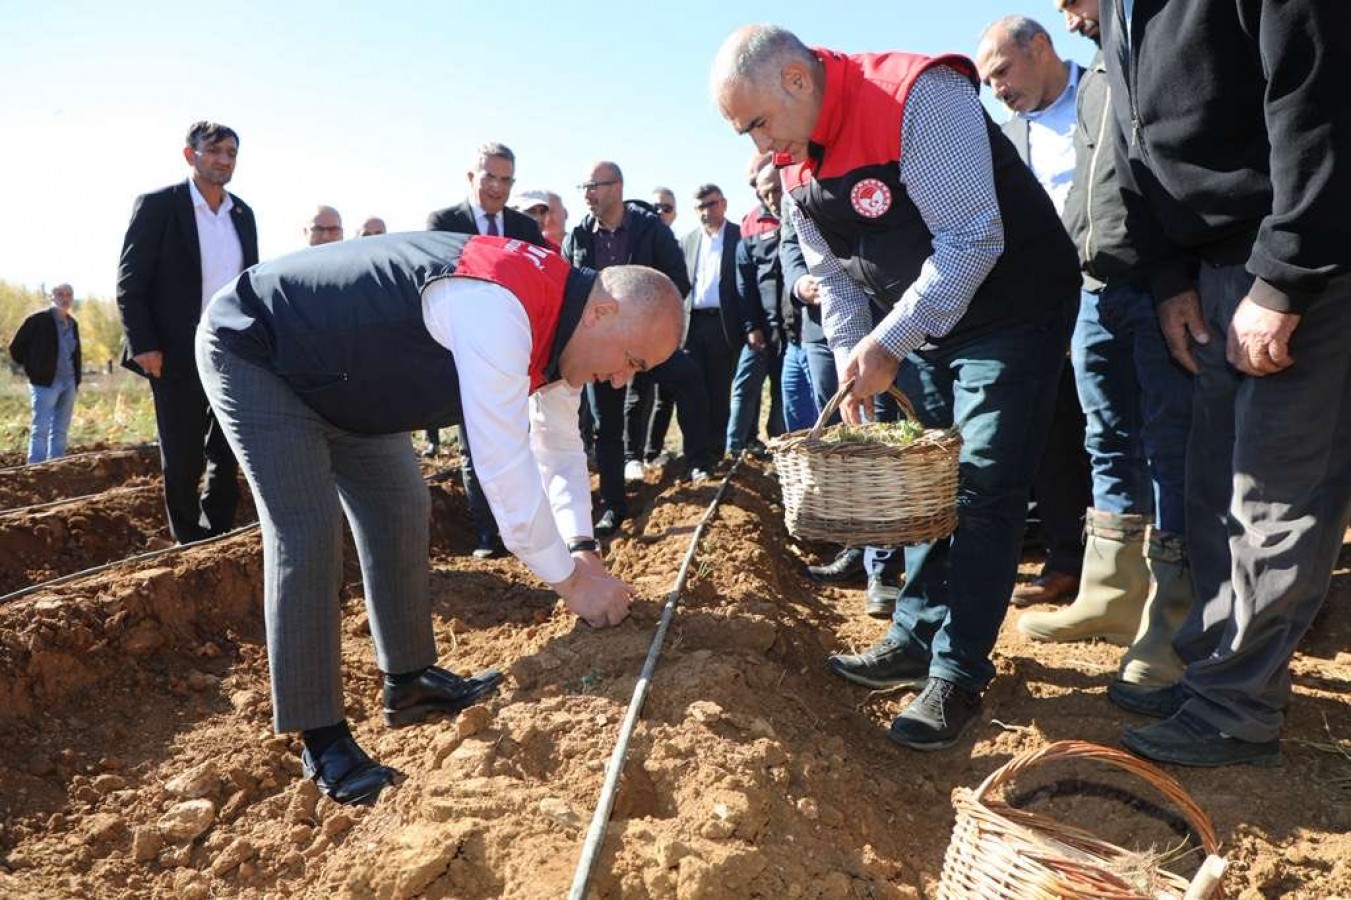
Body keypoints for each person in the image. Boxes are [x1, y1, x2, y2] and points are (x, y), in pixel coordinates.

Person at [196, 232, 684, 804]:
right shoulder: (500, 307)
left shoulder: (564, 321)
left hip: (350, 380)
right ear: (603, 312)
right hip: (261, 347)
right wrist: (572, 584)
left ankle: (409, 682)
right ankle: (321, 738)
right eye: (631, 361)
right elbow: (505, 468)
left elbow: (558, 447)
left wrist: (580, 545)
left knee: (402, 503)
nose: (623, 380)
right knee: (307, 531)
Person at [712, 25, 1081, 749]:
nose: (758, 147)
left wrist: (889, 343)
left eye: (756, 123)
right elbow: (835, 280)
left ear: (795, 79)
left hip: (1010, 309)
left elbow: (973, 237)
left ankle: (958, 669)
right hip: (927, 320)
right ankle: (915, 633)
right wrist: (856, 355)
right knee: (925, 478)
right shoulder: (792, 166)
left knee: (981, 486)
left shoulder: (917, 95)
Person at [1097, 0, 1350, 767]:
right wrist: (1168, 277)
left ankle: (1235, 709)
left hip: (1291, 256)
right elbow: (1131, 138)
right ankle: (1214, 669)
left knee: (1272, 491)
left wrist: (1283, 278)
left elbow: (1318, 96)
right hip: (1203, 266)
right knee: (1210, 482)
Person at [1010, 2, 1195, 691]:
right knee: (1106, 438)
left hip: (1157, 279)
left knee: (1168, 444)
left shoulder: (1155, 47)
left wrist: (1175, 272)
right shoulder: (1095, 77)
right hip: (1094, 286)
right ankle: (1111, 596)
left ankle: (1174, 613)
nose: (1065, 11)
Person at [976, 15, 1092, 609]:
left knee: (1119, 429)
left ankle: (1143, 562)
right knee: (1051, 427)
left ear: (1040, 47)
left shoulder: (1102, 89)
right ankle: (1068, 560)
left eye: (1002, 71)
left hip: (1112, 285)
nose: (997, 87)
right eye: (989, 81)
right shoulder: (1007, 138)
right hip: (1044, 302)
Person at [116, 120, 257, 544]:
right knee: (182, 450)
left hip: (231, 348)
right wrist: (144, 345)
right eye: (214, 151)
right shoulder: (160, 206)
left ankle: (219, 527)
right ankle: (186, 534)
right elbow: (130, 282)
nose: (223, 160)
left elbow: (248, 281)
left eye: (231, 153)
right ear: (189, 155)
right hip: (173, 351)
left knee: (228, 444)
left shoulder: (242, 213)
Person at [563, 161, 711, 535]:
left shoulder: (651, 231)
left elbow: (678, 280)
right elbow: (568, 288)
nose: (587, 194)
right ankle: (614, 506)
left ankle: (698, 462)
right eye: (584, 186)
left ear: (617, 186)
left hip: (646, 341)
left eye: (594, 185)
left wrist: (644, 318)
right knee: (607, 425)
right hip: (601, 346)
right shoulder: (579, 237)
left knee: (689, 379)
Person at [426, 142, 548, 557]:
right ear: (470, 177)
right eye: (489, 177)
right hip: (464, 352)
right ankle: (486, 534)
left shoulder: (525, 230)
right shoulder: (444, 222)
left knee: (519, 440)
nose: (497, 187)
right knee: (473, 442)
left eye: (506, 180)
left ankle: (523, 530)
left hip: (515, 353)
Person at [728, 155, 786, 457]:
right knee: (746, 384)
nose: (765, 194)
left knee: (783, 390)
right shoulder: (750, 223)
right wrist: (752, 327)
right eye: (758, 188)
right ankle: (735, 447)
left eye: (771, 188)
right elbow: (745, 282)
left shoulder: (796, 211)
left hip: (794, 326)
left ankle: (780, 443)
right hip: (762, 327)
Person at [680, 184, 743, 461]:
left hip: (724, 325)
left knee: (719, 392)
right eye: (700, 206)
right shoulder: (688, 241)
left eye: (711, 204)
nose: (706, 211)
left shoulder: (739, 237)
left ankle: (716, 451)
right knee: (693, 392)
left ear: (724, 204)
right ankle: (694, 453)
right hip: (693, 326)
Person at [9, 283, 81, 464]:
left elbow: (75, 354)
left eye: (68, 295)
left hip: (68, 382)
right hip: (45, 383)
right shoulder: (38, 320)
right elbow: (16, 348)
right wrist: (34, 369)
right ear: (52, 297)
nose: (65, 298)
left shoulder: (73, 324)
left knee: (61, 428)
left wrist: (76, 380)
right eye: (60, 294)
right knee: (40, 427)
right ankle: (35, 465)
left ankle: (56, 465)